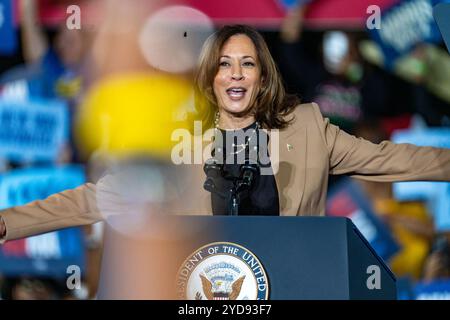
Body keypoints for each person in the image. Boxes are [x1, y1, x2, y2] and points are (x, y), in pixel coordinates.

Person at [0, 24, 450, 243]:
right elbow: (96, 199)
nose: (235, 74)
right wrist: (8, 223)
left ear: (262, 75)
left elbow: (396, 159)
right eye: (224, 64)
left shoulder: (309, 128)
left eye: (247, 63)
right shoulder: (178, 143)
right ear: (210, 76)